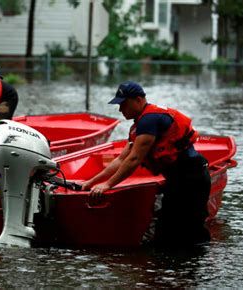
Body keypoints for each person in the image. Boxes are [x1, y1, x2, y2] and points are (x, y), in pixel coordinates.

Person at [81, 81, 211, 246]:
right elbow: (120, 160)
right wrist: (92, 182)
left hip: (192, 179)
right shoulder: (140, 124)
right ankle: (173, 269)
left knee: (188, 235)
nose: (120, 109)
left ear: (138, 100)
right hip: (179, 179)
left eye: (123, 104)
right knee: (167, 234)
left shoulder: (149, 120)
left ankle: (194, 268)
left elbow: (134, 159)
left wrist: (107, 185)